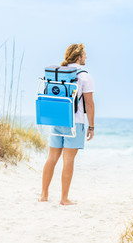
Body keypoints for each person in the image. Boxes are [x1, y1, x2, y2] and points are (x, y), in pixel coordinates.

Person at [39, 43, 95, 205]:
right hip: (75, 123)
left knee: (52, 157)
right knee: (68, 159)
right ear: (79, 57)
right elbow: (89, 105)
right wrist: (91, 126)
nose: (86, 57)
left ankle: (44, 195)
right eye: (84, 54)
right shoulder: (84, 76)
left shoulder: (58, 73)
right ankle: (64, 198)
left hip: (57, 119)